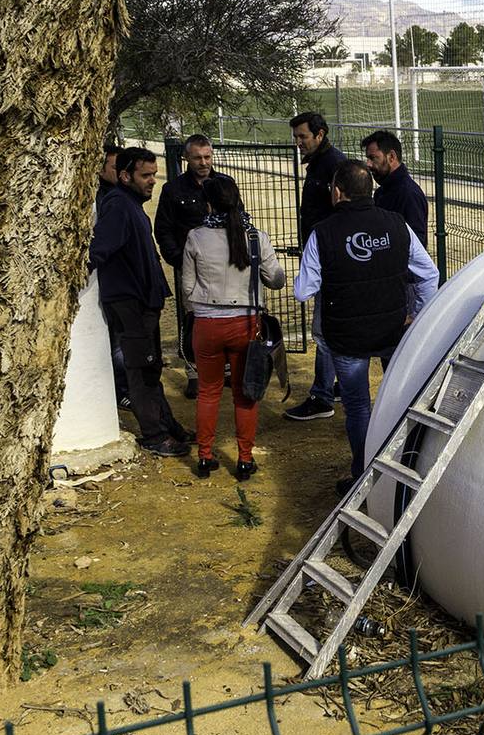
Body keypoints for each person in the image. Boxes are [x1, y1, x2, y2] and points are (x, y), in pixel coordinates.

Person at [293, 160, 438, 494]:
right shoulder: (396, 224)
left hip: (347, 339)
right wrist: (416, 314)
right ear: (369, 190)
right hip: (393, 330)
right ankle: (404, 466)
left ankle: (362, 474)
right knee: (400, 396)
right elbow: (429, 275)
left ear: (337, 192)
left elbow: (303, 291)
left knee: (358, 407)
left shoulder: (323, 233)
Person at [89, 147, 191, 457]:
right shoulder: (119, 206)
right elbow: (98, 250)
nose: (152, 182)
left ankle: (169, 426)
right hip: (130, 303)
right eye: (145, 175)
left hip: (144, 301)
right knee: (140, 371)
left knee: (151, 367)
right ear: (125, 176)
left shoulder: (130, 204)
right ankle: (155, 436)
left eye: (154, 175)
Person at [182, 177, 286, 481]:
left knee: (208, 391)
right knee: (245, 393)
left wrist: (199, 313)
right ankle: (243, 459)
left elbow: (188, 289)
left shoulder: (196, 237)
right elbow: (277, 280)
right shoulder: (255, 237)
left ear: (209, 203)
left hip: (207, 323)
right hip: (245, 324)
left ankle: (204, 457)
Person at [156, 134, 234, 399]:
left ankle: (225, 369)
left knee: (225, 314)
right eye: (198, 158)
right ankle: (193, 372)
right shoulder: (173, 190)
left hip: (223, 267)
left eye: (207, 157)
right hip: (189, 267)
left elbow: (238, 217)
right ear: (186, 159)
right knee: (191, 319)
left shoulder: (225, 183)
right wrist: (178, 260)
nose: (203, 163)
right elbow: (163, 229)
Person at [284, 111, 347, 423]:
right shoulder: (319, 165)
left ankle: (322, 395)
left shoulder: (334, 165)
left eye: (303, 137)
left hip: (329, 262)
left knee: (323, 330)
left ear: (320, 135)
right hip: (321, 256)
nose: (298, 143)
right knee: (329, 326)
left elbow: (342, 214)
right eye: (296, 137)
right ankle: (335, 385)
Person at [96, 144, 130, 411]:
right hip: (117, 285)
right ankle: (122, 391)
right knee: (118, 344)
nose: (119, 173)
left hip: (129, 286)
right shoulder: (107, 201)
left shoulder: (122, 197)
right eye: (114, 168)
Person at [361, 130, 429, 246]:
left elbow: (417, 244)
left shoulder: (408, 194)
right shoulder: (382, 192)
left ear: (391, 156)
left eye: (373, 158)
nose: (368, 164)